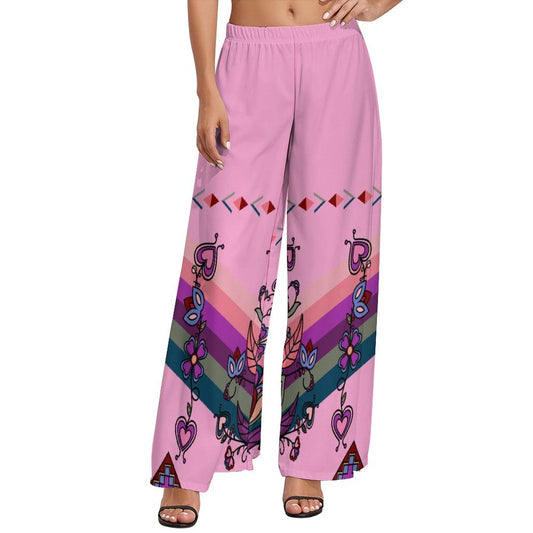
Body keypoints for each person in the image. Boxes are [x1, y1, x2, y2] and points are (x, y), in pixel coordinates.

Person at [150, 0, 402, 527]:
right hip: (248, 61)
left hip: (336, 54)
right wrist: (206, 88)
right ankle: (187, 461)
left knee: (336, 253)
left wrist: (381, 2)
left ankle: (311, 458)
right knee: (220, 254)